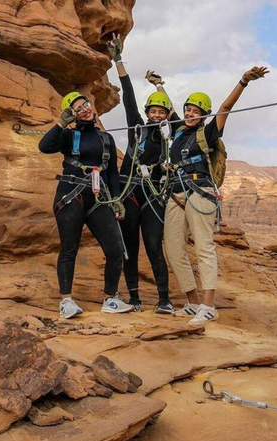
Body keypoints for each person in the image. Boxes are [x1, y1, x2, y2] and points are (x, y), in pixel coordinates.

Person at [164, 65, 268, 326]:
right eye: (188, 109)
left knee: (203, 246)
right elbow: (167, 108)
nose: (189, 113)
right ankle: (193, 302)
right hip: (176, 193)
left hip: (200, 191)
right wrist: (158, 85)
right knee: (174, 249)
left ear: (203, 115)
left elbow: (226, 108)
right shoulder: (178, 133)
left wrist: (243, 81)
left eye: (196, 111)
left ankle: (208, 306)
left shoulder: (207, 132)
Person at [39, 91, 133, 318]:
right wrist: (61, 123)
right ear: (72, 114)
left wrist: (117, 199)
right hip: (71, 195)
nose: (85, 109)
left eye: (86, 104)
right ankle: (66, 301)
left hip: (98, 198)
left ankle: (111, 298)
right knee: (69, 248)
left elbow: (112, 173)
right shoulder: (68, 136)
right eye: (78, 108)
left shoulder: (105, 139)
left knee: (115, 248)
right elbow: (45, 146)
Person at [107, 35, 175, 314]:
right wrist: (118, 60)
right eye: (153, 111)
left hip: (153, 194)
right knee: (129, 247)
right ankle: (134, 298)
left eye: (161, 111)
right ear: (147, 113)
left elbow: (176, 115)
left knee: (153, 246)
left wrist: (161, 87)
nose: (157, 114)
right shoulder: (137, 126)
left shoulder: (168, 136)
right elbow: (129, 96)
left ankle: (164, 300)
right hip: (129, 190)